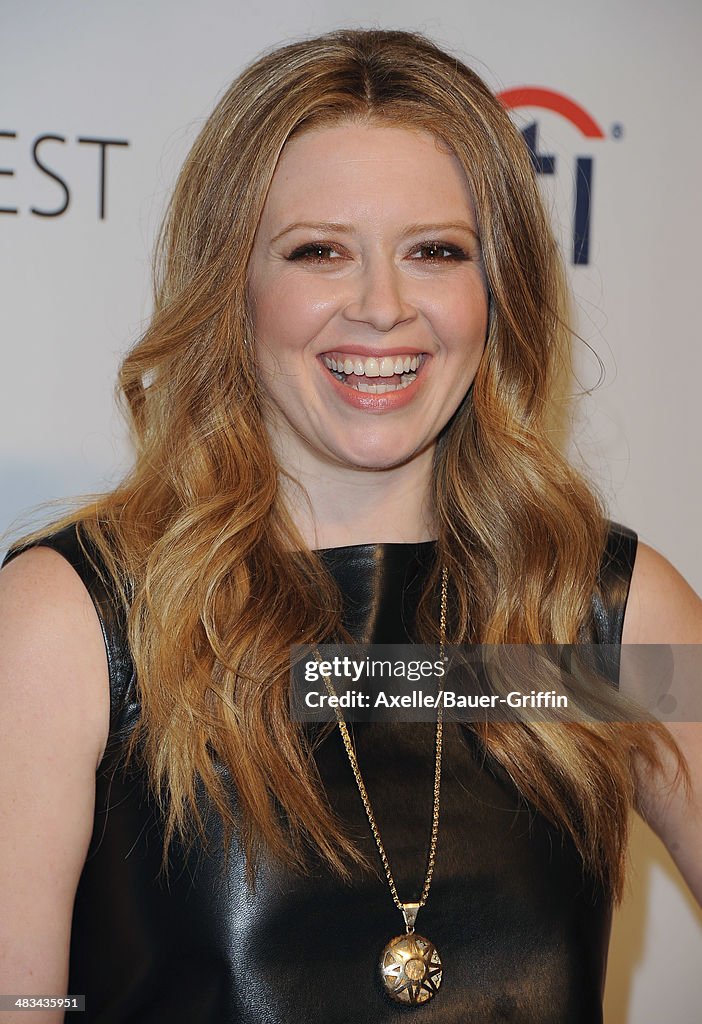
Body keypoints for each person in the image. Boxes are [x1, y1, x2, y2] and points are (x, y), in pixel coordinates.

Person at [0, 27, 700, 1024]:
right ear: (232, 286)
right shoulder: (76, 624)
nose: (382, 308)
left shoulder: (603, 617)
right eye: (320, 251)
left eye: (436, 252)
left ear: (497, 288)